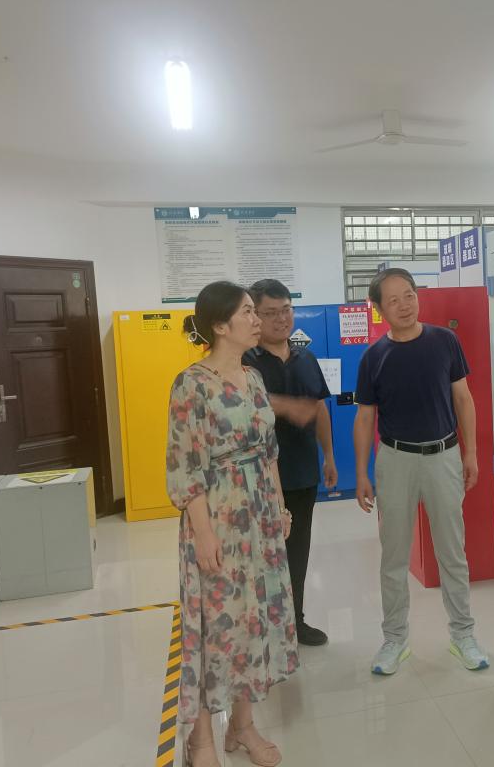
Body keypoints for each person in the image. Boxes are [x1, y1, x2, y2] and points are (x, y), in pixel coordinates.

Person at [166, 281, 298, 767]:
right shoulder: (191, 384)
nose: (257, 320)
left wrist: (279, 508)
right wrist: (203, 534)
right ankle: (200, 739)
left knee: (252, 620)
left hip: (259, 517)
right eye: (248, 312)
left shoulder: (254, 378)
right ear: (220, 325)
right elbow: (185, 465)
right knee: (213, 626)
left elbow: (269, 453)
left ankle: (242, 727)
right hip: (217, 517)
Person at [353, 267, 489, 676]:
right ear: (380, 309)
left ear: (418, 296)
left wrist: (471, 453)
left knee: (452, 551)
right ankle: (395, 640)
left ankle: (463, 635)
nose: (404, 305)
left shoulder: (445, 341)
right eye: (393, 300)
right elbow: (365, 418)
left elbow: (463, 399)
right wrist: (361, 473)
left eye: (409, 295)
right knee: (393, 555)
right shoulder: (374, 357)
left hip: (444, 455)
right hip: (395, 460)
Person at [245, 278, 336, 647]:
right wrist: (283, 405)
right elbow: (240, 406)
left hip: (302, 473)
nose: (281, 319)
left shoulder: (306, 358)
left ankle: (294, 622)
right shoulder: (244, 361)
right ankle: (261, 628)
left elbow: (319, 408)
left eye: (286, 310)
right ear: (254, 315)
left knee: (297, 551)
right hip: (258, 479)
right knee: (261, 555)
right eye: (270, 313)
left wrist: (329, 456)